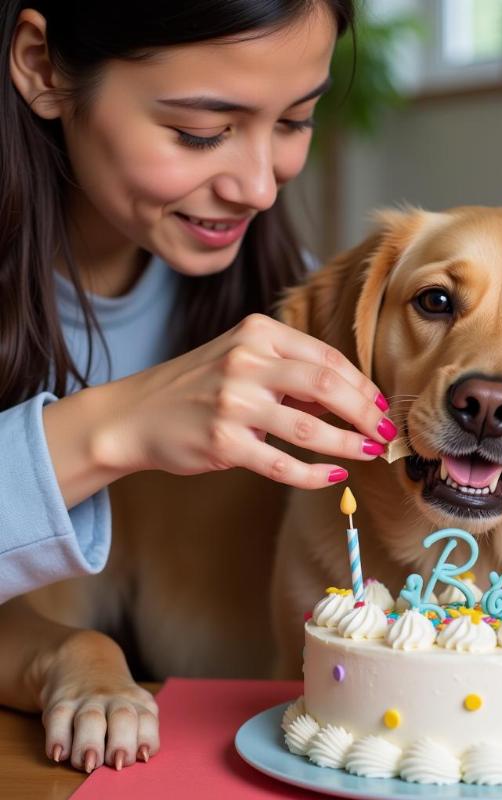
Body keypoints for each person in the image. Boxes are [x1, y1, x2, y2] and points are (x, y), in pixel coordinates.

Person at [0, 0, 396, 771]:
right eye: (201, 132)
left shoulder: (279, 289)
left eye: (294, 122)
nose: (258, 188)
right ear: (42, 67)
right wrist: (117, 426)